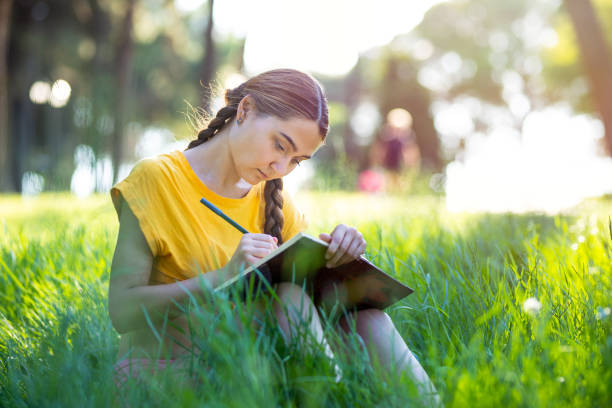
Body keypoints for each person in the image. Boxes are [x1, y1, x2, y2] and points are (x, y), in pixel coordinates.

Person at [108, 68, 439, 403]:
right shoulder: (156, 179)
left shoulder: (274, 203)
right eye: (280, 146)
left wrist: (345, 259)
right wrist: (222, 278)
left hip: (252, 367)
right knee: (287, 294)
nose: (280, 169)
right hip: (171, 370)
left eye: (296, 161)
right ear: (245, 110)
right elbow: (121, 311)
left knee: (367, 318)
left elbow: (316, 300)